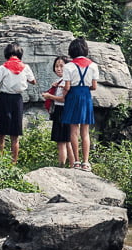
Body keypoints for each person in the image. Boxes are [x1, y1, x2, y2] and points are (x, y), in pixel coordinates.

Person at [0, 42, 35, 164]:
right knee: (15, 134)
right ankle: (13, 162)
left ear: (6, 55)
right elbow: (33, 81)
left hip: (4, 99)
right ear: (20, 55)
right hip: (18, 100)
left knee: (1, 132)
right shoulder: (25, 67)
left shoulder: (2, 67)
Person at [61, 37, 98, 171]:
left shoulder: (68, 66)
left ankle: (76, 161)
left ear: (71, 50)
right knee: (85, 131)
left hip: (72, 97)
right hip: (86, 96)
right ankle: (86, 162)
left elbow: (67, 86)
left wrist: (61, 94)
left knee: (73, 130)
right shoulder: (93, 65)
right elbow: (94, 86)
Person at [42, 55, 75, 167]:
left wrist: (49, 96)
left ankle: (63, 165)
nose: (58, 68)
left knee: (62, 142)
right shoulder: (61, 81)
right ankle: (72, 164)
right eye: (56, 66)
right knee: (66, 141)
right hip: (63, 111)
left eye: (61, 66)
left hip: (62, 111)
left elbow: (63, 99)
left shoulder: (65, 82)